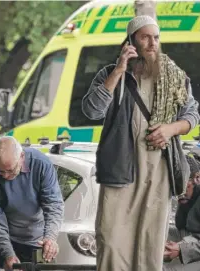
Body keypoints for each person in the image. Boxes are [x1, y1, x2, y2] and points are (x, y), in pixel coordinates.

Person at [82, 15, 200, 271]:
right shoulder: (111, 73)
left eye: (156, 37)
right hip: (120, 170)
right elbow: (92, 110)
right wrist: (119, 70)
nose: (152, 43)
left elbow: (192, 114)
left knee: (149, 243)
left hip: (158, 171)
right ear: (132, 40)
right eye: (145, 37)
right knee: (111, 239)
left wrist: (170, 129)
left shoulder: (175, 77)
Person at [0, 136, 64, 271]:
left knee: (46, 264)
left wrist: (50, 237)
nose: (5, 175)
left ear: (22, 157)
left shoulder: (41, 164)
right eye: (0, 171)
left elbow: (53, 205)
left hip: (32, 232)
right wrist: (8, 254)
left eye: (10, 170)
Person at [163, 155, 200, 271]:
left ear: (197, 178)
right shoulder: (186, 195)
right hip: (191, 237)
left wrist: (181, 249)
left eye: (183, 188)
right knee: (152, 234)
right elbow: (182, 227)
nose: (178, 195)